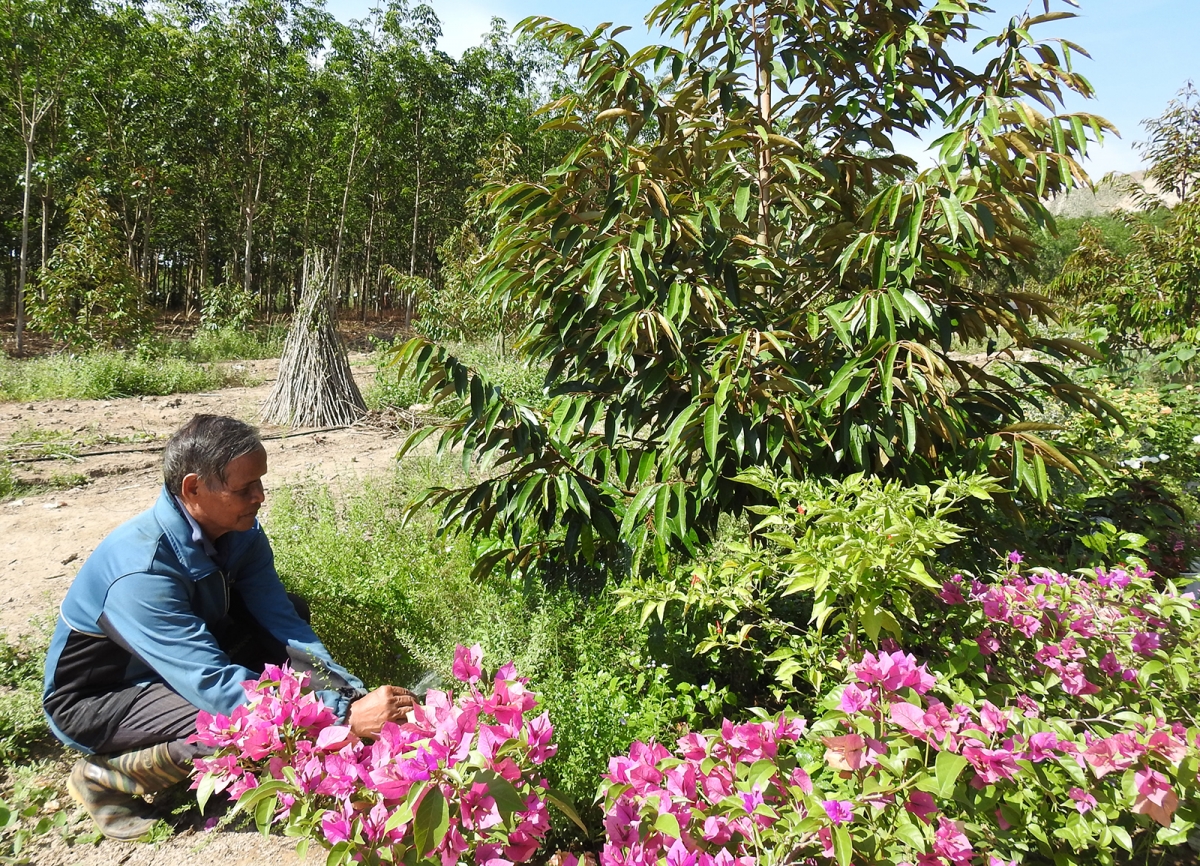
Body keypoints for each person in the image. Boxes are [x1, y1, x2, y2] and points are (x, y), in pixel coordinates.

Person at [42, 414, 415, 840]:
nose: (260, 496)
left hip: (176, 663)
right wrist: (341, 720)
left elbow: (282, 622)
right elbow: (212, 683)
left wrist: (349, 693)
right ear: (193, 488)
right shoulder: (140, 572)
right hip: (101, 696)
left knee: (291, 611)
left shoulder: (240, 533)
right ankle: (102, 777)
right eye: (244, 489)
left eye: (260, 482)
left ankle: (231, 757)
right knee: (231, 728)